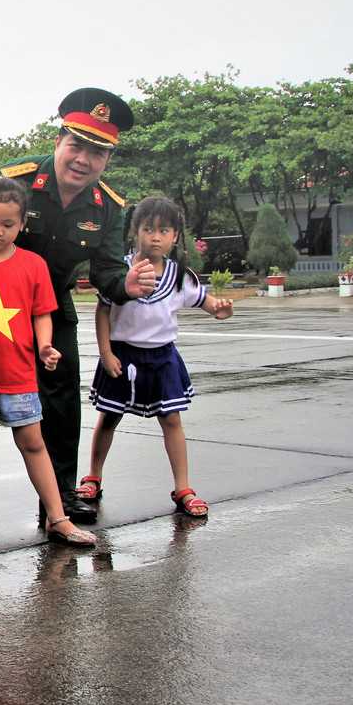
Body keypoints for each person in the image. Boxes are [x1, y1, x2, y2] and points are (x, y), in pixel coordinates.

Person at [0, 88, 155, 524]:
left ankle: (59, 498)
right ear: (59, 139)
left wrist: (128, 285)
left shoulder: (108, 208)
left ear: (108, 160)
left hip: (51, 305)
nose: (83, 159)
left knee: (60, 403)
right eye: (76, 145)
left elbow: (107, 274)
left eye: (97, 152)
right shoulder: (14, 180)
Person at [0, 178, 97, 546]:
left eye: (8, 225)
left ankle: (57, 516)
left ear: (23, 224)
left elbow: (43, 313)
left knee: (33, 442)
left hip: (19, 374)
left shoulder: (34, 265)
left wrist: (45, 346)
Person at [80, 195, 234, 518]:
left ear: (176, 236)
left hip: (163, 360)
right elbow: (102, 311)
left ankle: (183, 488)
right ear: (135, 231)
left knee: (172, 420)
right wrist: (106, 353)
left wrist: (221, 310)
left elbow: (208, 304)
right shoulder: (120, 270)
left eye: (164, 230)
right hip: (122, 357)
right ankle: (93, 476)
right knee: (108, 417)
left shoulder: (181, 277)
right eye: (148, 229)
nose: (155, 237)